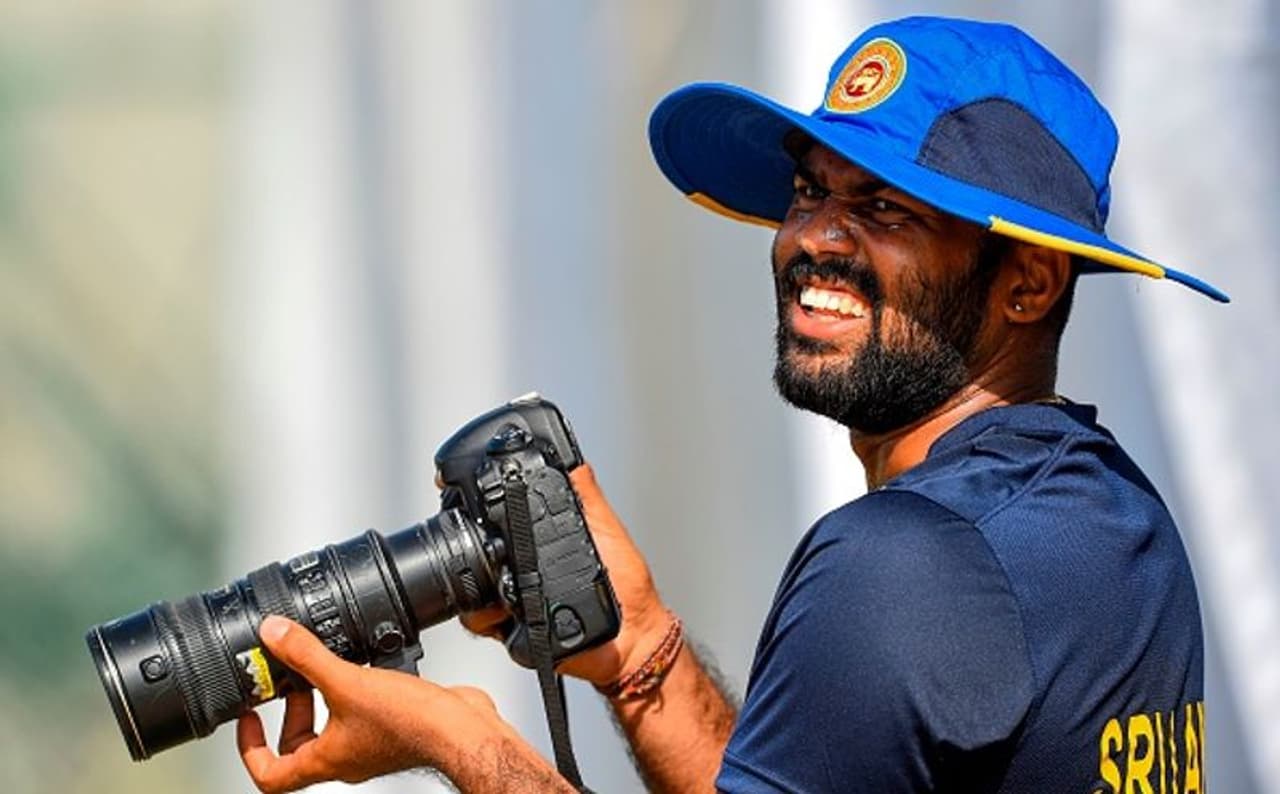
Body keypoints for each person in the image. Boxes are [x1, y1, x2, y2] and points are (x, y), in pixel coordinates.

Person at [235, 16, 1224, 793]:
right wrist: (639, 651)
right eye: (808, 190)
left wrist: (462, 739)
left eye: (883, 207)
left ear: (1028, 283)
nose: (812, 238)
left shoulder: (904, 562)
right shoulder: (1115, 522)